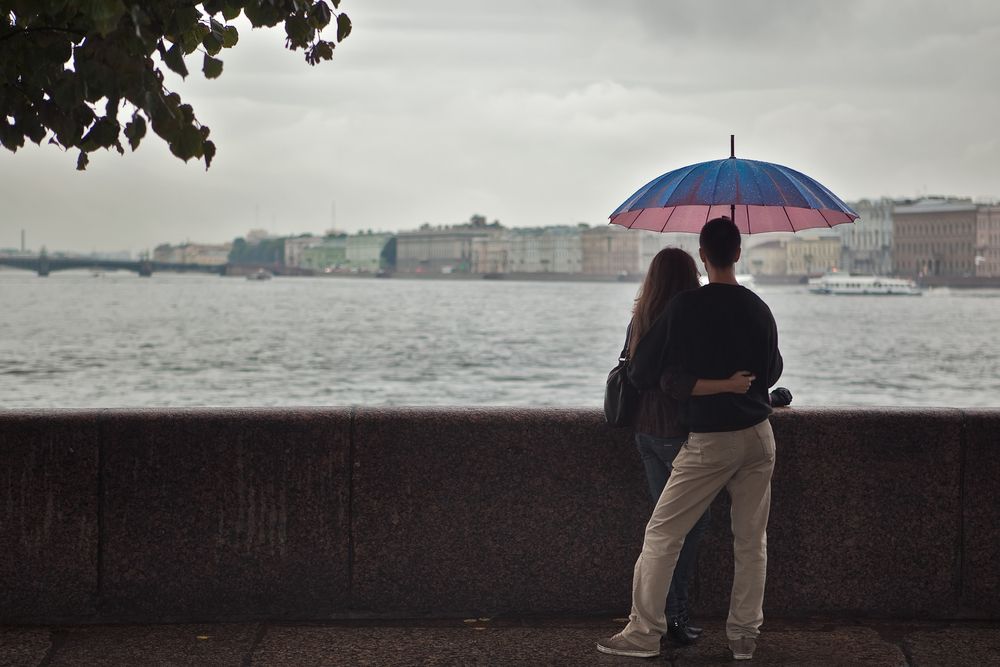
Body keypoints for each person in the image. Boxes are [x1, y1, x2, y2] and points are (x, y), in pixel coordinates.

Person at [598, 217, 784, 662]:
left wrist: (702, 378)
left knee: (662, 534)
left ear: (704, 255)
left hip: (711, 440)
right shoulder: (759, 308)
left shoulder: (684, 307)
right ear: (738, 253)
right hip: (759, 436)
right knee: (750, 540)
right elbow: (773, 371)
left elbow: (641, 372)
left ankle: (644, 632)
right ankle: (743, 637)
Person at [621, 246, 753, 646]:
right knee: (687, 527)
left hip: (645, 432)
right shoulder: (685, 319)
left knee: (668, 527)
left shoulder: (640, 316)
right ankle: (672, 613)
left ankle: (664, 614)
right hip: (679, 433)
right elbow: (678, 381)